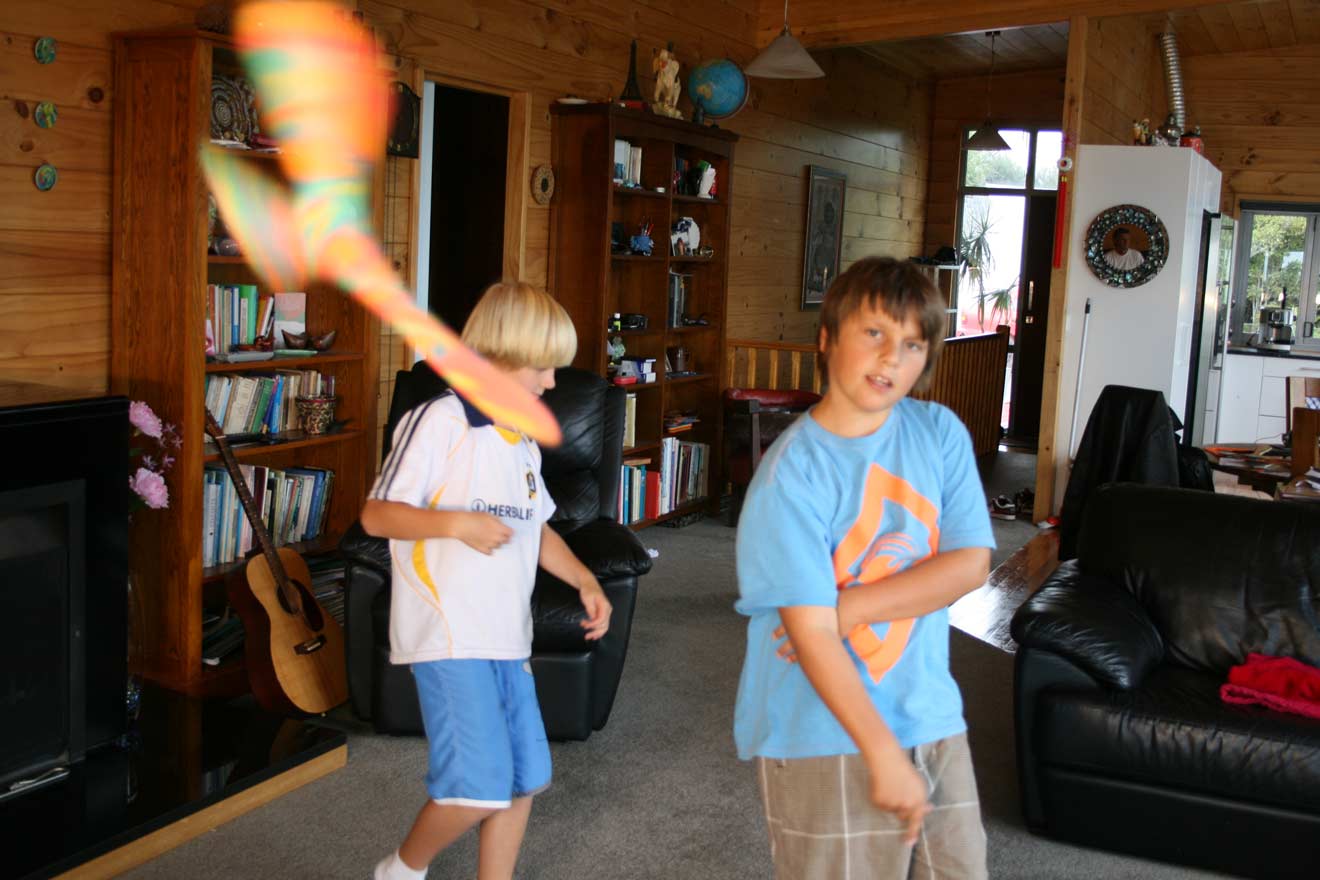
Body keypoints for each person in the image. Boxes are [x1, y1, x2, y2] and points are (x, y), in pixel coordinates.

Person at [734, 256, 996, 878]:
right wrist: (881, 753)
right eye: (874, 333)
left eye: (911, 344)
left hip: (932, 713)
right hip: (825, 730)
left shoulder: (940, 433)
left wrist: (851, 606)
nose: (891, 358)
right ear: (827, 339)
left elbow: (971, 564)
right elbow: (811, 637)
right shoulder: (790, 475)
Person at [362, 281, 612, 880]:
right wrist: (455, 523)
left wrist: (584, 580)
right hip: (451, 637)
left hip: (507, 637)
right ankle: (400, 870)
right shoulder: (439, 423)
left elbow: (539, 529)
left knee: (525, 779)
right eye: (542, 367)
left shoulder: (521, 440)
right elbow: (377, 514)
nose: (551, 383)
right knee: (477, 788)